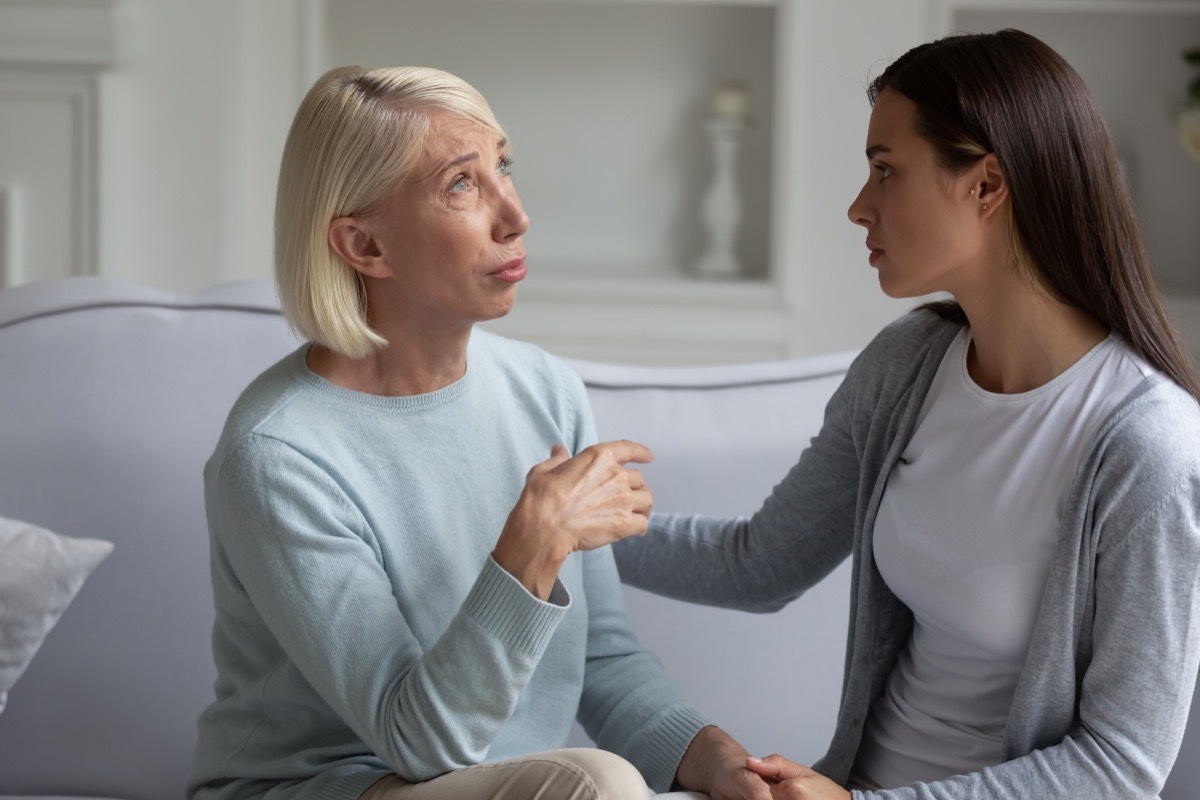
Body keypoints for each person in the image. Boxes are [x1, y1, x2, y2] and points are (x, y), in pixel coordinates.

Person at [614, 28, 1200, 800]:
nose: (860, 207)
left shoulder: (1147, 448)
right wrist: (574, 528)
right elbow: (759, 564)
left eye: (886, 171)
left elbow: (1121, 767)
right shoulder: (907, 368)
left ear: (986, 186)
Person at [186, 65, 770, 800]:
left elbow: (600, 660)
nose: (515, 215)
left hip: (503, 787)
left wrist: (712, 756)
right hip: (333, 787)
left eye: (504, 167)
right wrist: (530, 546)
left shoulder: (544, 391)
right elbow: (417, 741)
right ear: (364, 246)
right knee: (602, 786)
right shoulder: (276, 454)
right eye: (462, 184)